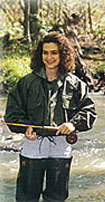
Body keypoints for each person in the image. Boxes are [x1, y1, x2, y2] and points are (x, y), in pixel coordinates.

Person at [4, 32, 96, 202]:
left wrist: (73, 124)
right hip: (32, 144)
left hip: (61, 146)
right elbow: (12, 113)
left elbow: (89, 111)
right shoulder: (26, 83)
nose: (49, 57)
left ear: (63, 54)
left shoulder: (76, 84)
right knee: (26, 197)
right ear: (40, 55)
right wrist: (26, 127)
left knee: (57, 197)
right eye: (45, 52)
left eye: (54, 52)